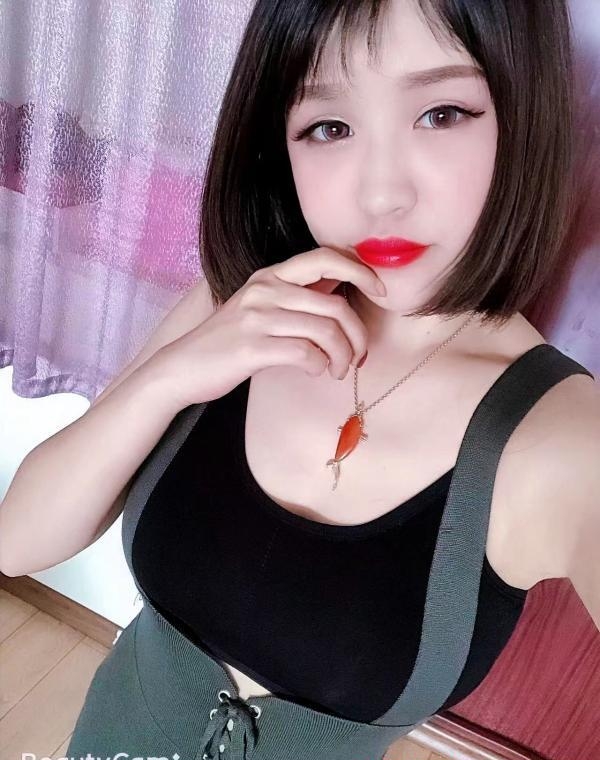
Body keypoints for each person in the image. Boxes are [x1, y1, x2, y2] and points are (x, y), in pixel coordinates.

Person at [1, 1, 598, 759]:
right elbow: (18, 542)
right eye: (329, 127)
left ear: (522, 117)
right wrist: (170, 377)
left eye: (442, 114)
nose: (381, 193)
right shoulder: (242, 304)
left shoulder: (562, 441)